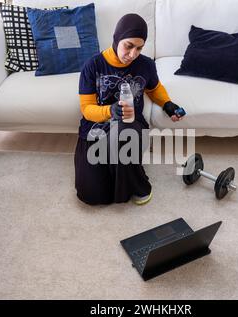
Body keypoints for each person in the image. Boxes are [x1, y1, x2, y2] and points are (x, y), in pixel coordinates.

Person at [74, 13, 185, 206]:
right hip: (96, 128)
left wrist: (168, 104)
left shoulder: (146, 65)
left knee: (123, 134)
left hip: (130, 125)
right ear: (117, 39)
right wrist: (109, 111)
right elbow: (86, 109)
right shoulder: (92, 66)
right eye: (129, 46)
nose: (133, 54)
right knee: (91, 195)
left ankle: (138, 182)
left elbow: (155, 88)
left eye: (139, 48)